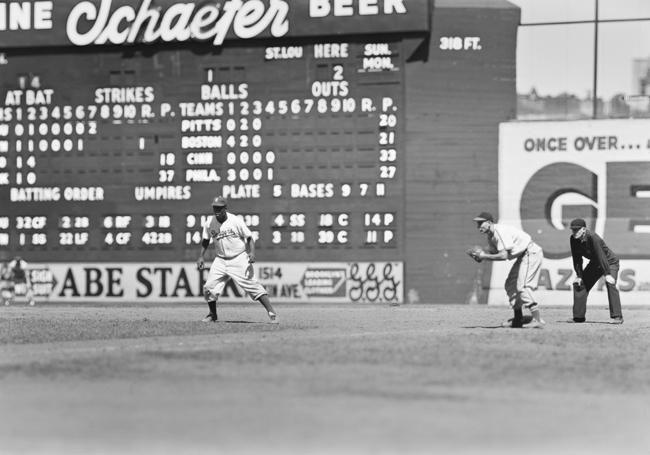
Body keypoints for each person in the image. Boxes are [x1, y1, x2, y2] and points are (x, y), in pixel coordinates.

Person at [197, 196, 278, 323]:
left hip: (238, 258)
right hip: (220, 260)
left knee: (253, 285)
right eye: (214, 207)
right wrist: (201, 256)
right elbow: (206, 240)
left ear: (225, 208)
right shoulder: (209, 223)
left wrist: (252, 252)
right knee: (209, 287)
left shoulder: (235, 221)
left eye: (219, 207)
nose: (216, 210)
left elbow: (249, 237)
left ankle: (271, 312)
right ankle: (213, 315)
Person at [472, 212, 545, 328]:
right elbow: (495, 254)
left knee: (524, 286)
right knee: (511, 284)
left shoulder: (498, 231)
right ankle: (518, 319)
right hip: (523, 255)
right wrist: (480, 257)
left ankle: (537, 320)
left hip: (531, 252)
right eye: (478, 223)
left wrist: (483, 256)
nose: (478, 226)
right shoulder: (490, 237)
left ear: (489, 223)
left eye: (481, 223)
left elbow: (503, 256)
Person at [569, 218, 623, 324]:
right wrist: (579, 275)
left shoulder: (592, 237)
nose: (574, 232)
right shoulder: (573, 239)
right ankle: (578, 317)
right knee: (580, 284)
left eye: (577, 230)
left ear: (583, 229)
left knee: (610, 283)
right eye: (572, 230)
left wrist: (607, 274)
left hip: (609, 262)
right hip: (595, 263)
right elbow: (577, 258)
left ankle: (617, 316)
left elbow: (601, 255)